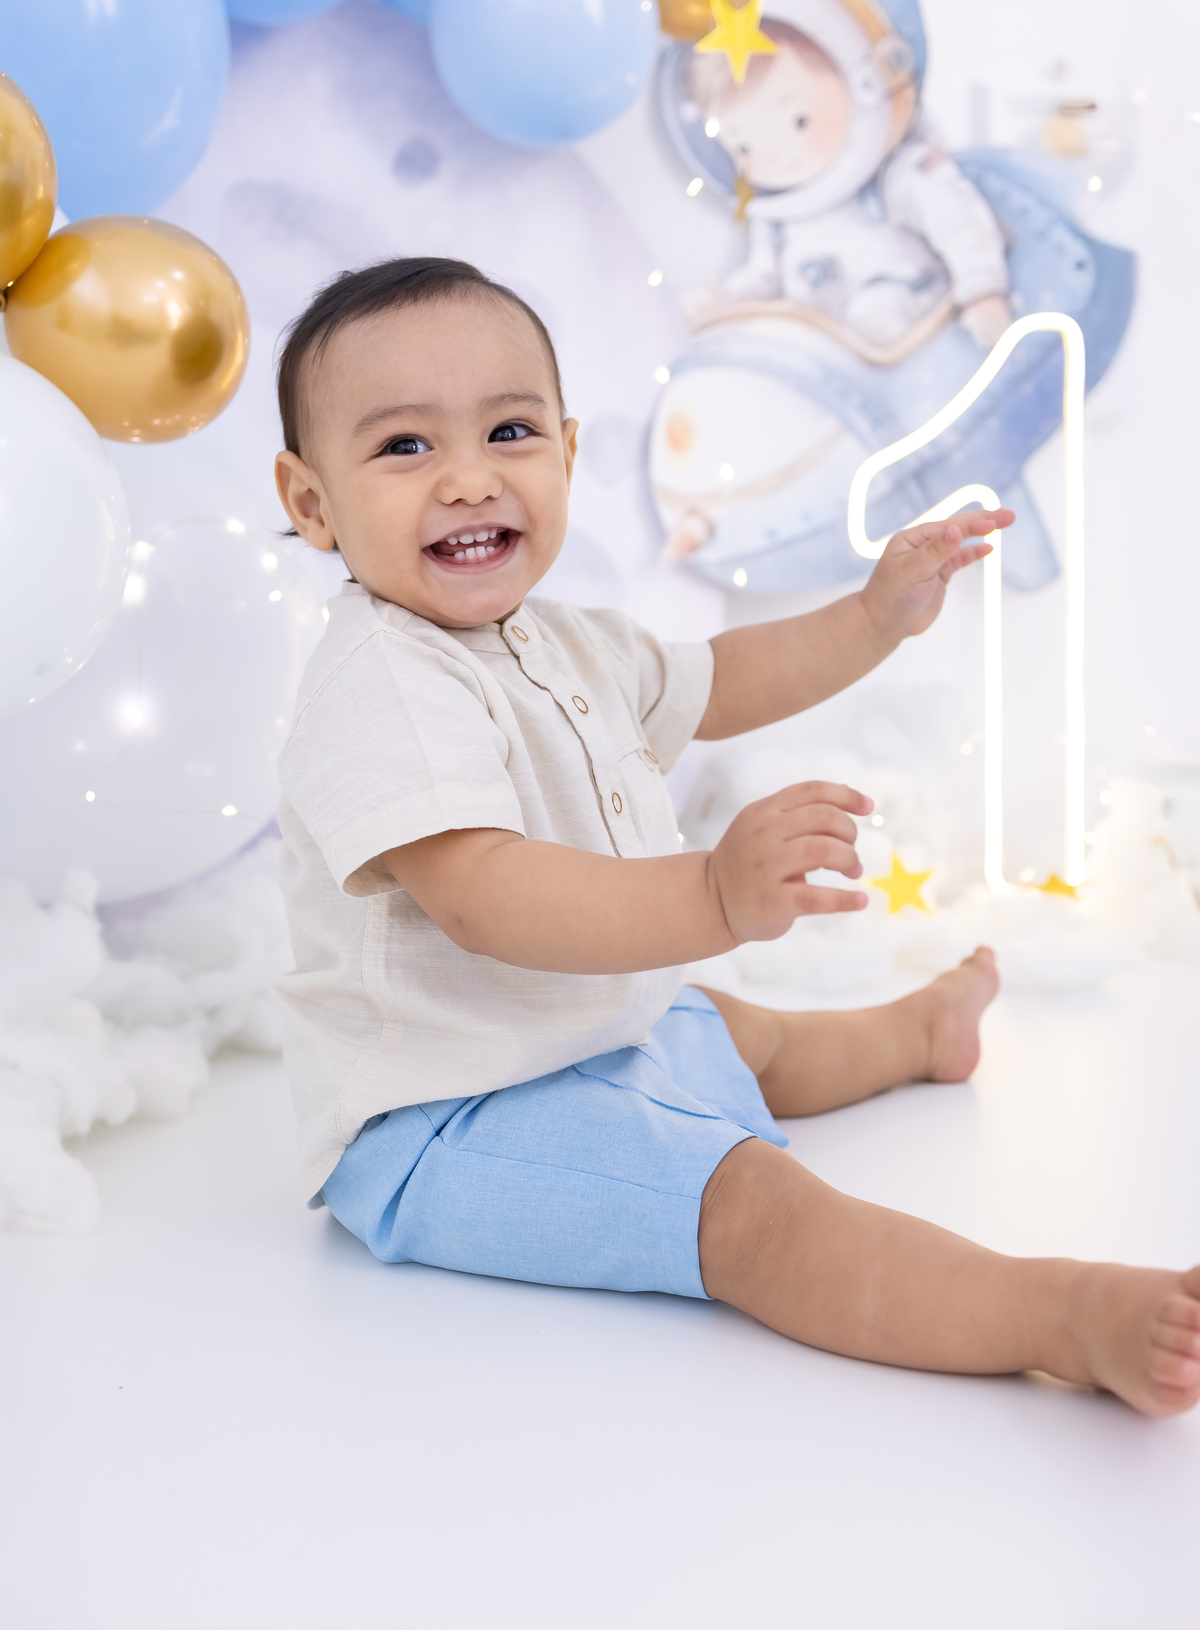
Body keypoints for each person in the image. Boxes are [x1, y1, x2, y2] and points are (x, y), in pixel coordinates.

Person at [273, 256, 1200, 1419]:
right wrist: (710, 891)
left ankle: (911, 1033)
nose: (467, 479)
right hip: (448, 1118)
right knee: (758, 1208)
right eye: (404, 447)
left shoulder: (561, 639)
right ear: (313, 503)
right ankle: (1062, 1313)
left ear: (564, 450)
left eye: (508, 431)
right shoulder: (381, 679)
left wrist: (870, 619)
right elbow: (482, 893)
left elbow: (717, 682)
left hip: (584, 1037)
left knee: (733, 1033)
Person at [684, 13, 1012, 354]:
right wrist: (722, 300)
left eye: (800, 121)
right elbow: (764, 277)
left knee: (872, 314)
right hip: (828, 359)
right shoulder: (775, 216)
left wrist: (982, 291)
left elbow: (956, 220)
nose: (777, 155)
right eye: (744, 146)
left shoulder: (892, 176)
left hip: (914, 332)